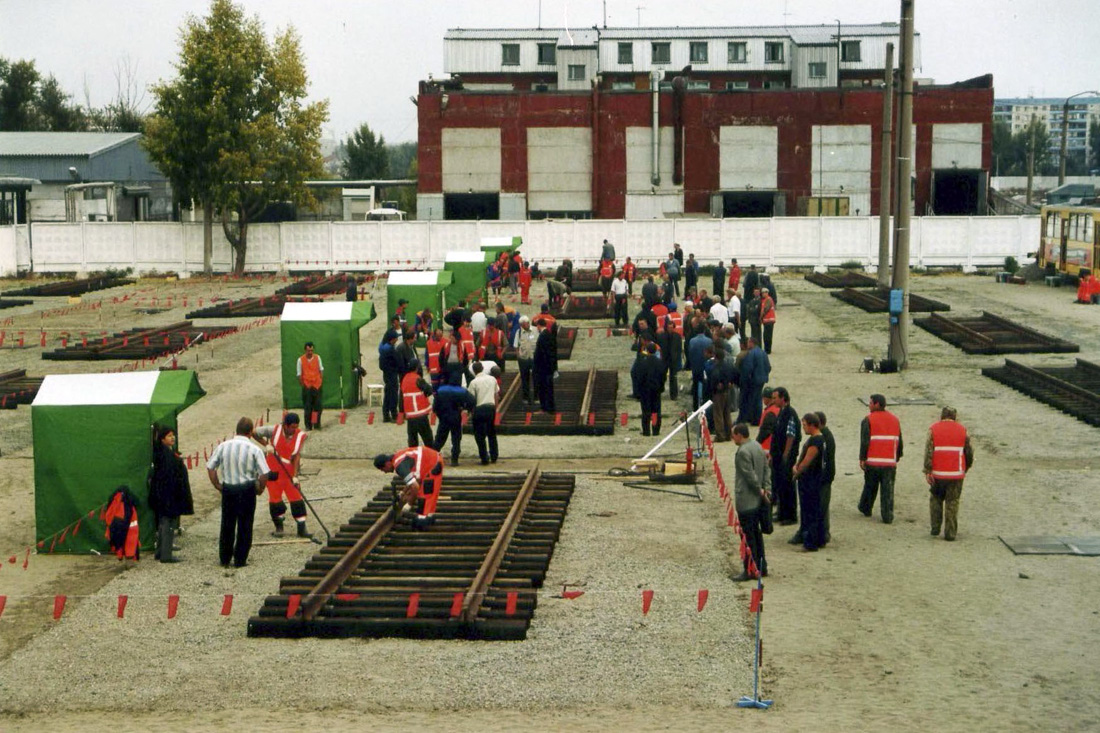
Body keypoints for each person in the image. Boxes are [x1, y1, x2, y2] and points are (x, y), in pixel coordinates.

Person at [206, 417, 269, 568]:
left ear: (237, 430)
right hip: (246, 490)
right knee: (245, 525)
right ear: (250, 432)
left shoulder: (223, 446)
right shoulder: (255, 449)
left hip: (229, 489)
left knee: (227, 524)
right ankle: (240, 559)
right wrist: (260, 488)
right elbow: (264, 472)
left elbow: (210, 467)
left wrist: (217, 485)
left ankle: (225, 558)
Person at [254, 412, 315, 540]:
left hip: (288, 472)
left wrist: (295, 475)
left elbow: (297, 456)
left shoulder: (300, 436)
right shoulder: (273, 430)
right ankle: (279, 527)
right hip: (273, 471)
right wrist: (267, 445)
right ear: (285, 425)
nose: (294, 430)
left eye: (296, 427)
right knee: (275, 499)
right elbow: (254, 432)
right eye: (292, 427)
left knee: (296, 498)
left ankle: (301, 528)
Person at [924, 406, 975, 541]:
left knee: (936, 499)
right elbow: (969, 452)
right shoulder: (962, 430)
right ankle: (950, 533)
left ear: (942, 416)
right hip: (956, 473)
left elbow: (929, 451)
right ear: (955, 416)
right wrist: (966, 467)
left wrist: (927, 470)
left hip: (938, 473)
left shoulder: (934, 429)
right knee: (952, 502)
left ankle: (935, 528)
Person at [148, 425, 193, 563]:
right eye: (169, 435)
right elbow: (168, 476)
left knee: (163, 522)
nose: (172, 437)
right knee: (168, 523)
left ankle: (160, 551)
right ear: (162, 439)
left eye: (173, 435)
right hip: (168, 495)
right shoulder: (165, 455)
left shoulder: (165, 452)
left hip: (165, 494)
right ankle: (166, 555)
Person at [374, 445, 444, 530]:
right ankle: (428, 517)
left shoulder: (400, 467)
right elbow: (414, 479)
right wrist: (403, 493)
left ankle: (424, 520)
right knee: (428, 494)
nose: (385, 472)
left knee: (426, 494)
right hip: (432, 460)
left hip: (432, 464)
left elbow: (415, 486)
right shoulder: (398, 457)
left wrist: (409, 504)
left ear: (387, 464)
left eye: (383, 469)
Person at [858, 394, 903, 524]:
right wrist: (897, 456)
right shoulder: (895, 420)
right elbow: (899, 440)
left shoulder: (868, 420)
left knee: (870, 486)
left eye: (871, 403)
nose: (869, 405)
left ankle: (866, 508)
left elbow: (865, 441)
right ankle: (887, 515)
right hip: (889, 462)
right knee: (887, 490)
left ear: (877, 404)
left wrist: (862, 458)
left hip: (873, 461)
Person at [732, 422, 768, 580]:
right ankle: (761, 566)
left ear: (740, 435)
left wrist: (759, 489)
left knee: (747, 537)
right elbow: (766, 469)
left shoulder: (743, 452)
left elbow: (749, 476)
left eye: (734, 435)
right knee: (757, 534)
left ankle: (749, 569)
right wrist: (766, 489)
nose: (733, 438)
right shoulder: (758, 446)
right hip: (758, 499)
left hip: (747, 499)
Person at [791, 413, 826, 552]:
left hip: (810, 481)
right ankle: (819, 539)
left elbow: (807, 461)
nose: (803, 428)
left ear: (812, 425)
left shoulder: (815, 441)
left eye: (805, 425)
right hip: (813, 480)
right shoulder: (819, 439)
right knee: (815, 510)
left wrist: (797, 471)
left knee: (809, 511)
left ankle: (810, 542)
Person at [769, 387, 800, 526]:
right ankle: (781, 512)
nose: (773, 400)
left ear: (783, 398)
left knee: (788, 485)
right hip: (778, 455)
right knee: (779, 484)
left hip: (786, 457)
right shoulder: (781, 412)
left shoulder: (790, 414)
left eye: (775, 398)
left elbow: (791, 435)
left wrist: (786, 455)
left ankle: (790, 515)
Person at [432, 371, 475, 465]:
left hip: (444, 417)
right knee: (456, 439)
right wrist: (465, 408)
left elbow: (435, 407)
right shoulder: (461, 391)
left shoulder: (441, 390)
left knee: (439, 438)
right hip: (455, 416)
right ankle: (454, 460)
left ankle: (433, 457)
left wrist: (440, 414)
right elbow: (472, 401)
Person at [468, 361, 501, 464]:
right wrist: (495, 407)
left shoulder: (473, 382)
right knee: (491, 432)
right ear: (482, 368)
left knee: (479, 435)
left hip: (479, 409)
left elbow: (471, 399)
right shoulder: (492, 379)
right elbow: (496, 395)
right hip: (490, 408)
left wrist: (472, 412)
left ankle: (484, 458)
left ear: (474, 371)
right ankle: (494, 456)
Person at [737, 336, 770, 425]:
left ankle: (752, 419)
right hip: (762, 379)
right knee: (758, 398)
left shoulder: (751, 353)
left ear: (751, 343)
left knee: (752, 399)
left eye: (748, 342)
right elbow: (768, 367)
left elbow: (748, 368)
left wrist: (745, 379)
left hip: (754, 380)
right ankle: (757, 419)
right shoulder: (763, 353)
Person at [400, 367, 434, 447]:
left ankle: (414, 457)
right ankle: (431, 456)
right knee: (428, 439)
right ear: (416, 369)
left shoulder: (404, 380)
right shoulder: (418, 378)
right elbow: (429, 390)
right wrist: (424, 394)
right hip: (421, 414)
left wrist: (401, 414)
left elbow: (401, 398)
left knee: (412, 441)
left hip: (410, 415)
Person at [816, 411, 837, 544]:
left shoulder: (824, 437)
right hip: (826, 476)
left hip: (824, 477)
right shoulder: (826, 435)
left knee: (822, 505)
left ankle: (823, 534)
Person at [639, 343, 665, 436]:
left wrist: (639, 390)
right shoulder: (660, 362)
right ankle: (655, 430)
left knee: (646, 411)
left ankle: (646, 431)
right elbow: (663, 376)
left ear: (647, 350)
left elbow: (639, 376)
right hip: (656, 389)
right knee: (656, 411)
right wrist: (661, 387)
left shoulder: (643, 362)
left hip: (645, 390)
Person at [298, 342, 324, 430]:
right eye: (309, 350)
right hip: (307, 386)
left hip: (317, 385)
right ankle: (308, 426)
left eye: (312, 350)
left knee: (318, 407)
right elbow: (299, 374)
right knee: (308, 407)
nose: (310, 352)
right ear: (305, 350)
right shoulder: (300, 360)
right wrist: (304, 385)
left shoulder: (318, 358)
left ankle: (316, 424)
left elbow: (321, 370)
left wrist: (320, 380)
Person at [656, 312, 682, 400]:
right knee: (662, 376)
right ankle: (660, 390)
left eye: (671, 327)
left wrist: (678, 358)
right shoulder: (661, 336)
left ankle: (673, 395)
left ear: (674, 328)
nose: (670, 329)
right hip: (664, 359)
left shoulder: (677, 337)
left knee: (673, 378)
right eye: (669, 327)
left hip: (673, 360)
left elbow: (679, 349)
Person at [513, 315, 539, 405]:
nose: (526, 326)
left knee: (536, 378)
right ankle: (526, 397)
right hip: (524, 359)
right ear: (521, 325)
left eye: (527, 324)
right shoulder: (519, 332)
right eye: (523, 325)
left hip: (534, 358)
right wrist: (518, 356)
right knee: (524, 379)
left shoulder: (536, 330)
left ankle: (537, 397)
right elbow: (516, 345)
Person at [534, 318, 557, 413]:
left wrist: (536, 366)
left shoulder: (543, 336)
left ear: (539, 325)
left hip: (543, 368)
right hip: (549, 367)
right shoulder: (549, 334)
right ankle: (550, 408)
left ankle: (544, 408)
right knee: (549, 388)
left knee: (543, 388)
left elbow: (541, 353)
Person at [378, 330, 400, 422]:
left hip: (386, 374)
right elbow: (397, 361)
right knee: (393, 395)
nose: (397, 340)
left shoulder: (383, 347)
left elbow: (381, 365)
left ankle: (386, 415)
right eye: (396, 338)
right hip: (392, 374)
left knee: (387, 394)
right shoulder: (390, 349)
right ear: (392, 339)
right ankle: (394, 415)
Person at [759, 286, 776, 354]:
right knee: (766, 335)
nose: (763, 294)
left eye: (764, 293)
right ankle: (767, 349)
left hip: (769, 320)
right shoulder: (764, 300)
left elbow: (765, 309)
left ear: (767, 293)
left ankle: (768, 350)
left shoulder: (768, 299)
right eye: (762, 293)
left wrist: (760, 317)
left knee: (767, 335)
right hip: (766, 321)